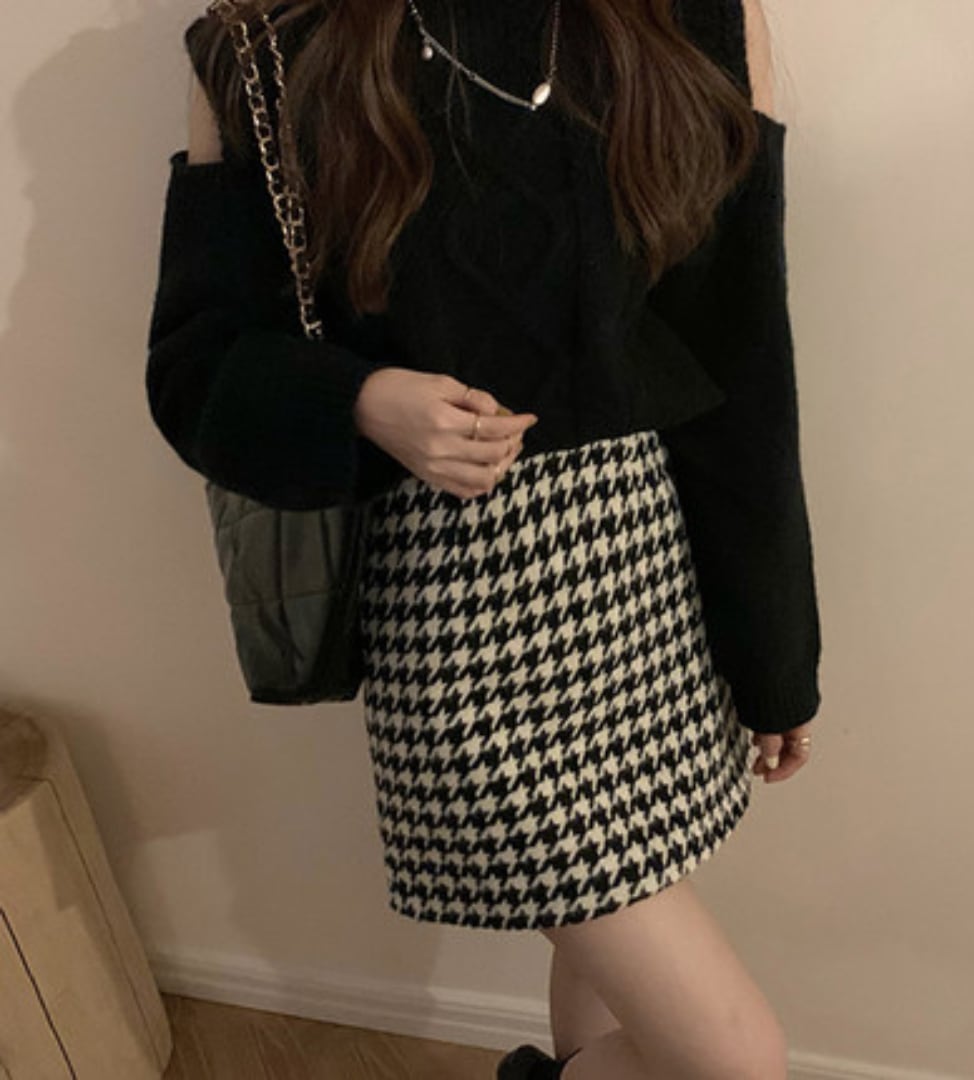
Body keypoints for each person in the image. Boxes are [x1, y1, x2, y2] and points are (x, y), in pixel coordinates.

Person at [145, 0, 822, 1077]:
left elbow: (742, 364)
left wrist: (775, 653)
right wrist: (361, 400)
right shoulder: (268, 39)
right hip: (457, 612)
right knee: (736, 1061)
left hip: (648, 581)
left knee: (610, 984)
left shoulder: (693, 18)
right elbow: (195, 365)